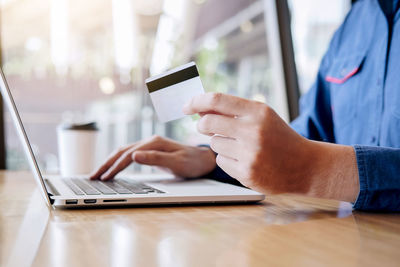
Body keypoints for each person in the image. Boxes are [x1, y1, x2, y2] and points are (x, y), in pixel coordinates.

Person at [91, 0, 400, 212]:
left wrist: (317, 171)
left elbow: (310, 161)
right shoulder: (354, 24)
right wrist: (212, 159)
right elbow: (310, 136)